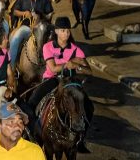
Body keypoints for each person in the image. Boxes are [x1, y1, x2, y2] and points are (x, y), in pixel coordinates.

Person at [27, 16, 93, 152]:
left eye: (68, 31)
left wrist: (77, 66)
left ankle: (81, 138)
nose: (66, 34)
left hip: (70, 82)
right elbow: (52, 68)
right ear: (56, 31)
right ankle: (33, 134)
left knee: (89, 106)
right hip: (52, 80)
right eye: (63, 31)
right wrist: (68, 64)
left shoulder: (76, 49)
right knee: (32, 102)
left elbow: (89, 71)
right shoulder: (48, 47)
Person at [9, 0, 54, 67]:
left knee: (56, 36)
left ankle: (56, 65)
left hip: (41, 26)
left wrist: (40, 16)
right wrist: (24, 13)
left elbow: (50, 14)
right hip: (27, 27)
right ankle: (12, 65)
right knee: (15, 39)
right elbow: (15, 12)